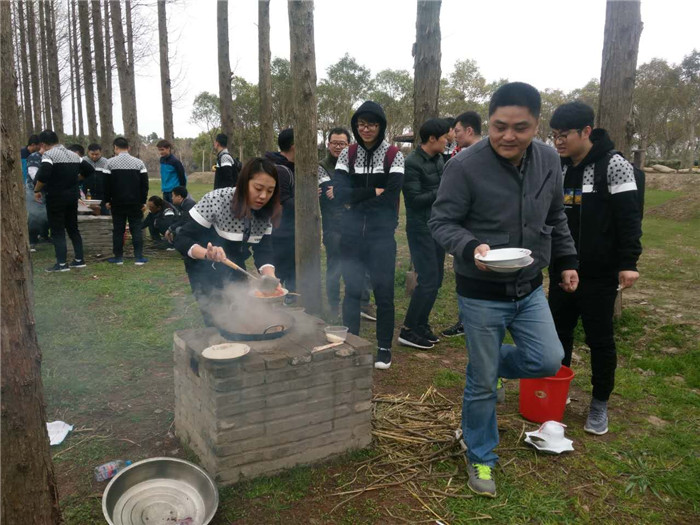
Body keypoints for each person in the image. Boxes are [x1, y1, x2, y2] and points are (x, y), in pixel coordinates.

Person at [429, 82, 579, 498]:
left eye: (520, 127)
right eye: (499, 126)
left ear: (536, 126)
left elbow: (556, 216)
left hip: (529, 286)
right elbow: (440, 222)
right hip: (480, 292)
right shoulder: (464, 166)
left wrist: (567, 261)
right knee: (482, 387)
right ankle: (480, 456)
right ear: (488, 121)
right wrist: (468, 246)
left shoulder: (549, 159)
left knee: (548, 358)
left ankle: (486, 363)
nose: (508, 136)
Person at [548, 101, 642, 436]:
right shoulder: (557, 168)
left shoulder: (613, 166)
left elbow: (629, 218)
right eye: (554, 135)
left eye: (564, 135)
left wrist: (629, 262)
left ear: (586, 131)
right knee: (558, 336)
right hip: (560, 269)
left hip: (599, 273)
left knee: (599, 339)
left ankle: (599, 403)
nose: (558, 142)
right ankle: (557, 397)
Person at [333, 101, 405, 370]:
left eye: (372, 124)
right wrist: (370, 192)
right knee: (351, 290)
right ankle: (351, 342)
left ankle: (384, 347)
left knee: (384, 293)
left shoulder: (394, 155)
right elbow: (338, 194)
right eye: (362, 124)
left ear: (381, 126)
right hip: (351, 235)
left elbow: (390, 198)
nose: (366, 129)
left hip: (381, 236)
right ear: (356, 125)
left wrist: (355, 201)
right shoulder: (347, 155)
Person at [174, 157, 282, 326]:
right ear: (244, 183)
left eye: (270, 191)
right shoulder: (217, 200)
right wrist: (207, 253)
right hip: (203, 267)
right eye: (258, 188)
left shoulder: (266, 212)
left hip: (235, 264)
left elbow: (264, 250)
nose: (263, 196)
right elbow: (181, 238)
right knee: (217, 319)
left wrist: (270, 278)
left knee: (241, 314)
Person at [399, 118, 450, 350]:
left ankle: (421, 324)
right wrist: (442, 191)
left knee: (436, 279)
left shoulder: (439, 159)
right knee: (428, 280)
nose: (447, 141)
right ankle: (408, 329)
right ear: (432, 139)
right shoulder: (412, 163)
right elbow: (414, 200)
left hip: (438, 226)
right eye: (444, 138)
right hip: (421, 228)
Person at [441, 110, 483, 339]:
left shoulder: (472, 158)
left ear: (469, 130)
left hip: (471, 229)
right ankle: (467, 320)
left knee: (469, 276)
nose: (453, 135)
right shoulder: (460, 153)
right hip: (462, 229)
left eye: (456, 131)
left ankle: (468, 322)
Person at [33, 130, 95, 272]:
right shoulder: (73, 155)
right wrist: (75, 178)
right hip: (72, 197)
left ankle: (61, 264)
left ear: (43, 144)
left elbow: (43, 175)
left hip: (56, 197)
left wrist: (37, 190)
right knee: (73, 228)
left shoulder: (49, 155)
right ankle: (79, 260)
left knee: (57, 230)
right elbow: (89, 169)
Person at [318, 127, 351, 318]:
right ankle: (333, 306)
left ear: (348, 145)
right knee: (334, 268)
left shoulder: (353, 163)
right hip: (332, 226)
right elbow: (328, 193)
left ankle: (355, 304)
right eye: (335, 143)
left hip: (353, 224)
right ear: (328, 144)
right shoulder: (321, 166)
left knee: (354, 265)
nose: (338, 147)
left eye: (342, 143)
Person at [103, 137, 149, 265]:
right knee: (136, 229)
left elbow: (106, 184)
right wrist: (143, 201)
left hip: (117, 203)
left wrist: (107, 200)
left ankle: (118, 258)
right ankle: (139, 257)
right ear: (128, 148)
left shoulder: (110, 163)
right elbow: (144, 184)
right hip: (135, 203)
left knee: (118, 230)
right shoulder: (139, 163)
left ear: (115, 148)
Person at [265, 128, 296, 303]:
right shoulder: (282, 170)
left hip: (285, 231)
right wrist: (306, 202)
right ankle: (281, 304)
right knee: (283, 272)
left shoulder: (286, 167)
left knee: (286, 271)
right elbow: (283, 200)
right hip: (282, 232)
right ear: (294, 146)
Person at [83, 143, 110, 214]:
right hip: (87, 194)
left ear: (101, 153)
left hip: (102, 195)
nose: (94, 156)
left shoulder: (106, 162)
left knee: (105, 215)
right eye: (92, 154)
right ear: (88, 152)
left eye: (97, 154)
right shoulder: (83, 161)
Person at [157, 139, 187, 203]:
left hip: (174, 191)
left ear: (168, 148)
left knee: (175, 210)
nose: (160, 152)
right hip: (165, 190)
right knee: (166, 210)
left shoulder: (175, 161)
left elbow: (182, 176)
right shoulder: (161, 160)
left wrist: (181, 190)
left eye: (162, 149)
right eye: (159, 150)